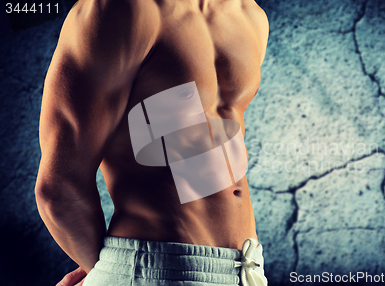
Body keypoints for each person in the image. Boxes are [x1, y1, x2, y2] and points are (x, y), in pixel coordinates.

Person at [34, 0, 269, 285]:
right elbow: (58, 187)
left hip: (246, 268)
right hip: (154, 269)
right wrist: (112, 273)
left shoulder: (249, 14)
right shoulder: (120, 10)